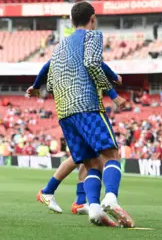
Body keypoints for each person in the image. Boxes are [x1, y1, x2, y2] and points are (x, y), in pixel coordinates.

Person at [45, 1, 132, 227]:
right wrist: (114, 95)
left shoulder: (59, 46)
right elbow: (94, 63)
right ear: (92, 18)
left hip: (64, 112)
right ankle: (111, 198)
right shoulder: (93, 36)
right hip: (86, 106)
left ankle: (93, 208)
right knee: (111, 155)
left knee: (91, 162)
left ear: (72, 21)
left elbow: (51, 83)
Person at [27, 58, 122, 215]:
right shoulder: (85, 56)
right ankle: (49, 191)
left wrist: (37, 85)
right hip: (84, 111)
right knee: (82, 159)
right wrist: (114, 77)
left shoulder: (71, 57)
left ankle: (78, 201)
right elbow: (98, 64)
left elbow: (47, 66)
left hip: (72, 111)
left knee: (88, 158)